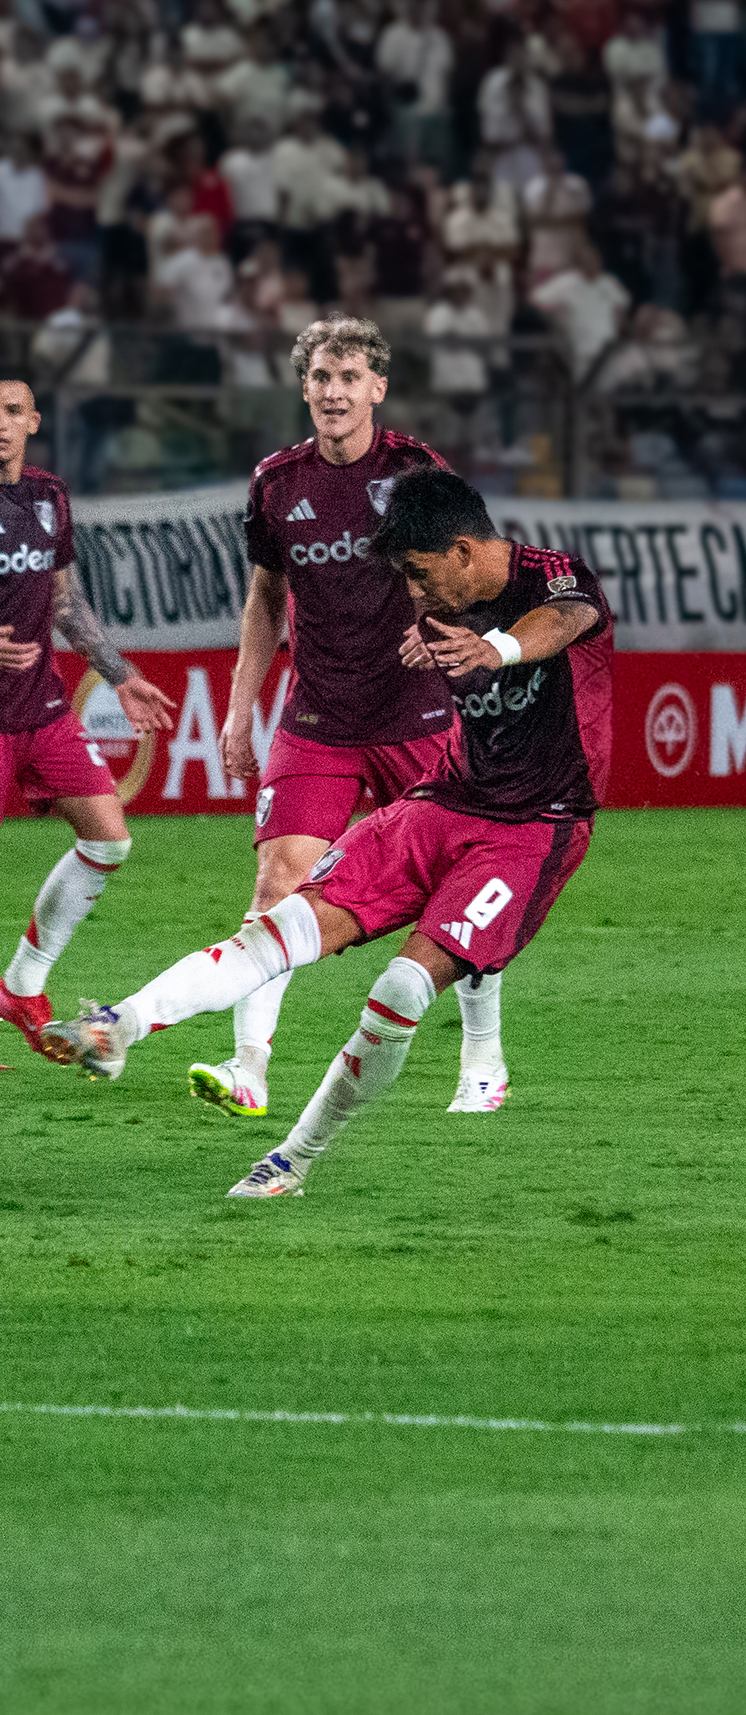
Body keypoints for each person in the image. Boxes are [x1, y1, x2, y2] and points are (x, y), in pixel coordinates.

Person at [41, 468, 613, 1198]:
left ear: (465, 552)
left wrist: (493, 649)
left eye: (419, 573)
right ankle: (120, 1025)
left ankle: (293, 1159)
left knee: (403, 988)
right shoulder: (438, 615)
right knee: (279, 924)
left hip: (534, 828)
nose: (412, 592)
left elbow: (565, 620)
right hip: (441, 802)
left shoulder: (554, 577)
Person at [196, 316, 512, 1123]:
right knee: (277, 882)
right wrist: (239, 708)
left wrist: (440, 626)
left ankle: (483, 1058)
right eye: (321, 378)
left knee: (462, 883)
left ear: (377, 387)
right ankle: (248, 1068)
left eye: (348, 378)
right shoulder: (277, 483)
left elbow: (479, 571)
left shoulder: (414, 471)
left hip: (419, 715)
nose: (333, 392)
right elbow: (265, 599)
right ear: (304, 388)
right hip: (319, 719)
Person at [0, 377, 178, 1073]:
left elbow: (66, 603)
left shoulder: (50, 495)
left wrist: (120, 674)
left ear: (33, 422)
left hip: (43, 705)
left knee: (109, 838)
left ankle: (21, 986)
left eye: (12, 412)